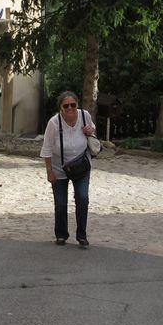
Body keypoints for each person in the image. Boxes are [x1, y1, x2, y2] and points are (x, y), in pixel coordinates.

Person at [40, 91, 96, 248]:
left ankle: (82, 236)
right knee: (61, 203)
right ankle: (61, 234)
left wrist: (89, 131)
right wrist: (49, 171)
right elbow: (47, 148)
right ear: (61, 108)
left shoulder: (84, 115)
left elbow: (92, 129)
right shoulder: (54, 123)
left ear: (77, 105)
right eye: (66, 105)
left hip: (82, 166)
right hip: (59, 168)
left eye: (73, 105)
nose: (70, 108)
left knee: (82, 198)